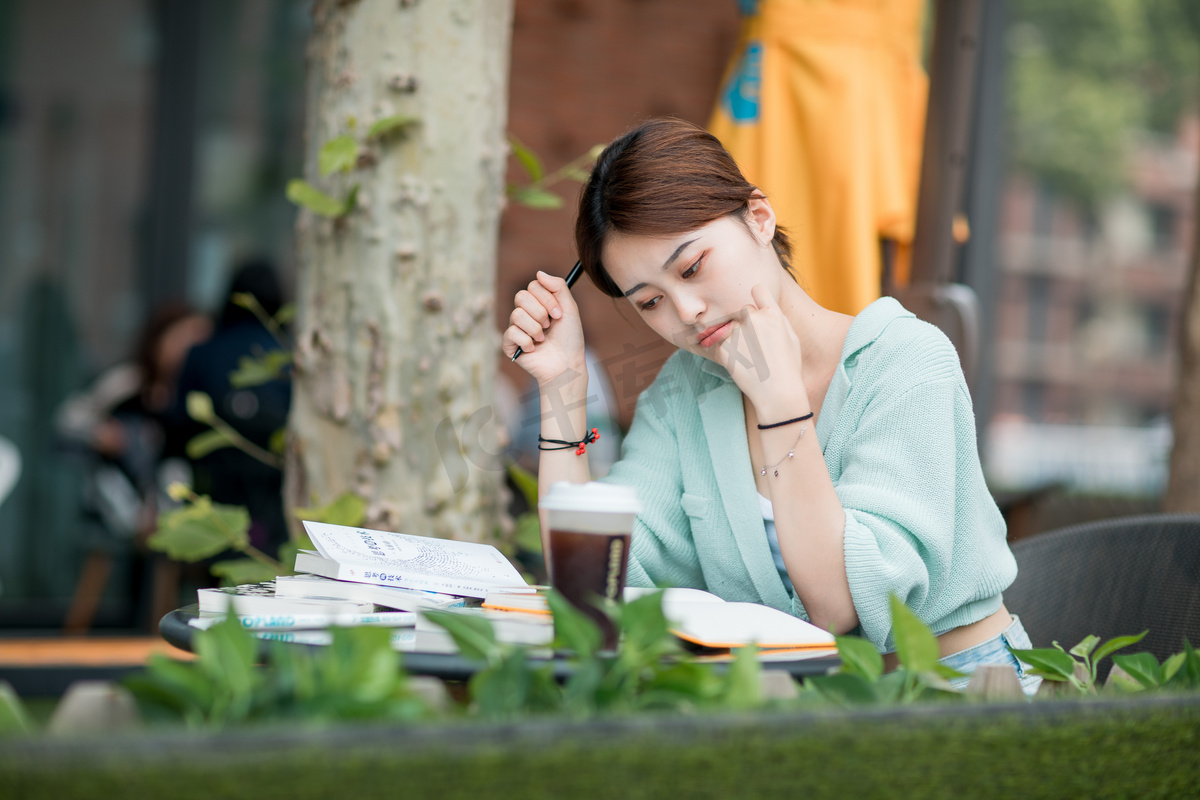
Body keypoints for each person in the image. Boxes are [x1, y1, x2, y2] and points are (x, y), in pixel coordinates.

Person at [502, 118, 1038, 694]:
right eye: (651, 301)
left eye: (693, 268)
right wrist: (562, 387)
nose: (685, 311)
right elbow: (595, 589)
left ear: (759, 218)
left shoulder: (906, 360)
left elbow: (843, 605)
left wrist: (779, 402)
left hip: (958, 693)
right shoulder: (687, 389)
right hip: (796, 707)